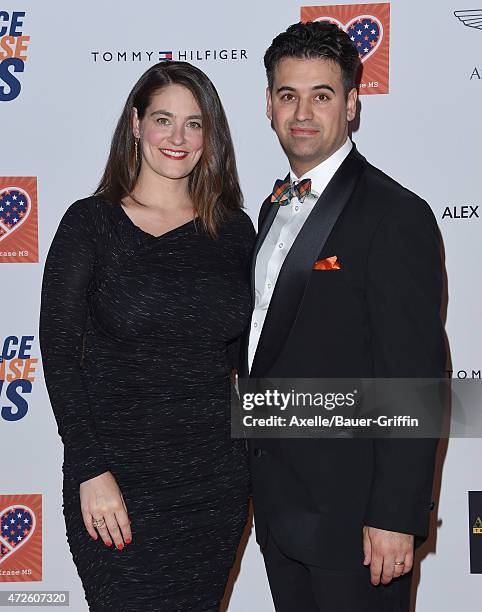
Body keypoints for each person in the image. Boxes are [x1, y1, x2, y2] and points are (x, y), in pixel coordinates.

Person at [240, 22, 446, 612]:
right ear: (270, 105)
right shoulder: (272, 206)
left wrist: (393, 516)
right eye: (288, 95)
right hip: (281, 511)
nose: (302, 112)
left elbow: (414, 376)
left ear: (352, 105)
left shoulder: (394, 215)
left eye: (322, 95)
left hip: (358, 525)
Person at [39, 61, 255, 612]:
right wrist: (89, 468)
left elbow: (240, 360)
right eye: (163, 120)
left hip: (213, 484)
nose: (177, 138)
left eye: (193, 123)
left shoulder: (234, 231)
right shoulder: (90, 224)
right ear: (136, 124)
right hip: (116, 482)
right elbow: (61, 358)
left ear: (211, 136)